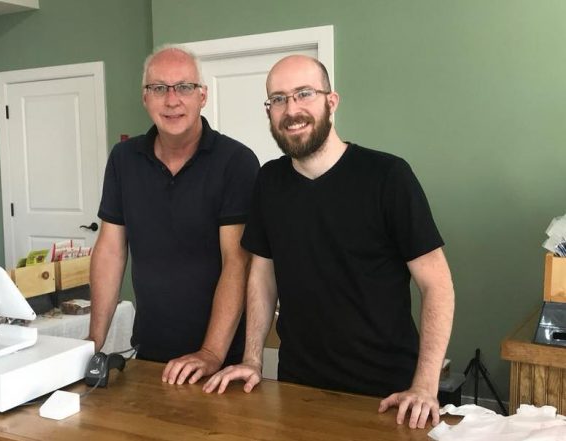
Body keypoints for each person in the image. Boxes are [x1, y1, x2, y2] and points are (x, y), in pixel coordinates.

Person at [203, 55, 455, 430]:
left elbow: (437, 285)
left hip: (387, 396)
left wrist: (425, 386)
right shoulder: (269, 181)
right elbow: (262, 275)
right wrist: (252, 359)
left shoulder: (388, 176)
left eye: (304, 93)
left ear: (331, 101)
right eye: (278, 99)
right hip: (298, 389)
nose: (292, 110)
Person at [88, 45, 260, 386]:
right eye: (159, 88)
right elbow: (110, 251)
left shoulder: (236, 162)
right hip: (149, 354)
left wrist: (210, 353)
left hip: (220, 363)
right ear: (145, 98)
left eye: (184, 87)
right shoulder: (124, 159)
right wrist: (93, 341)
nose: (172, 100)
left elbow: (237, 262)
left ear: (202, 96)